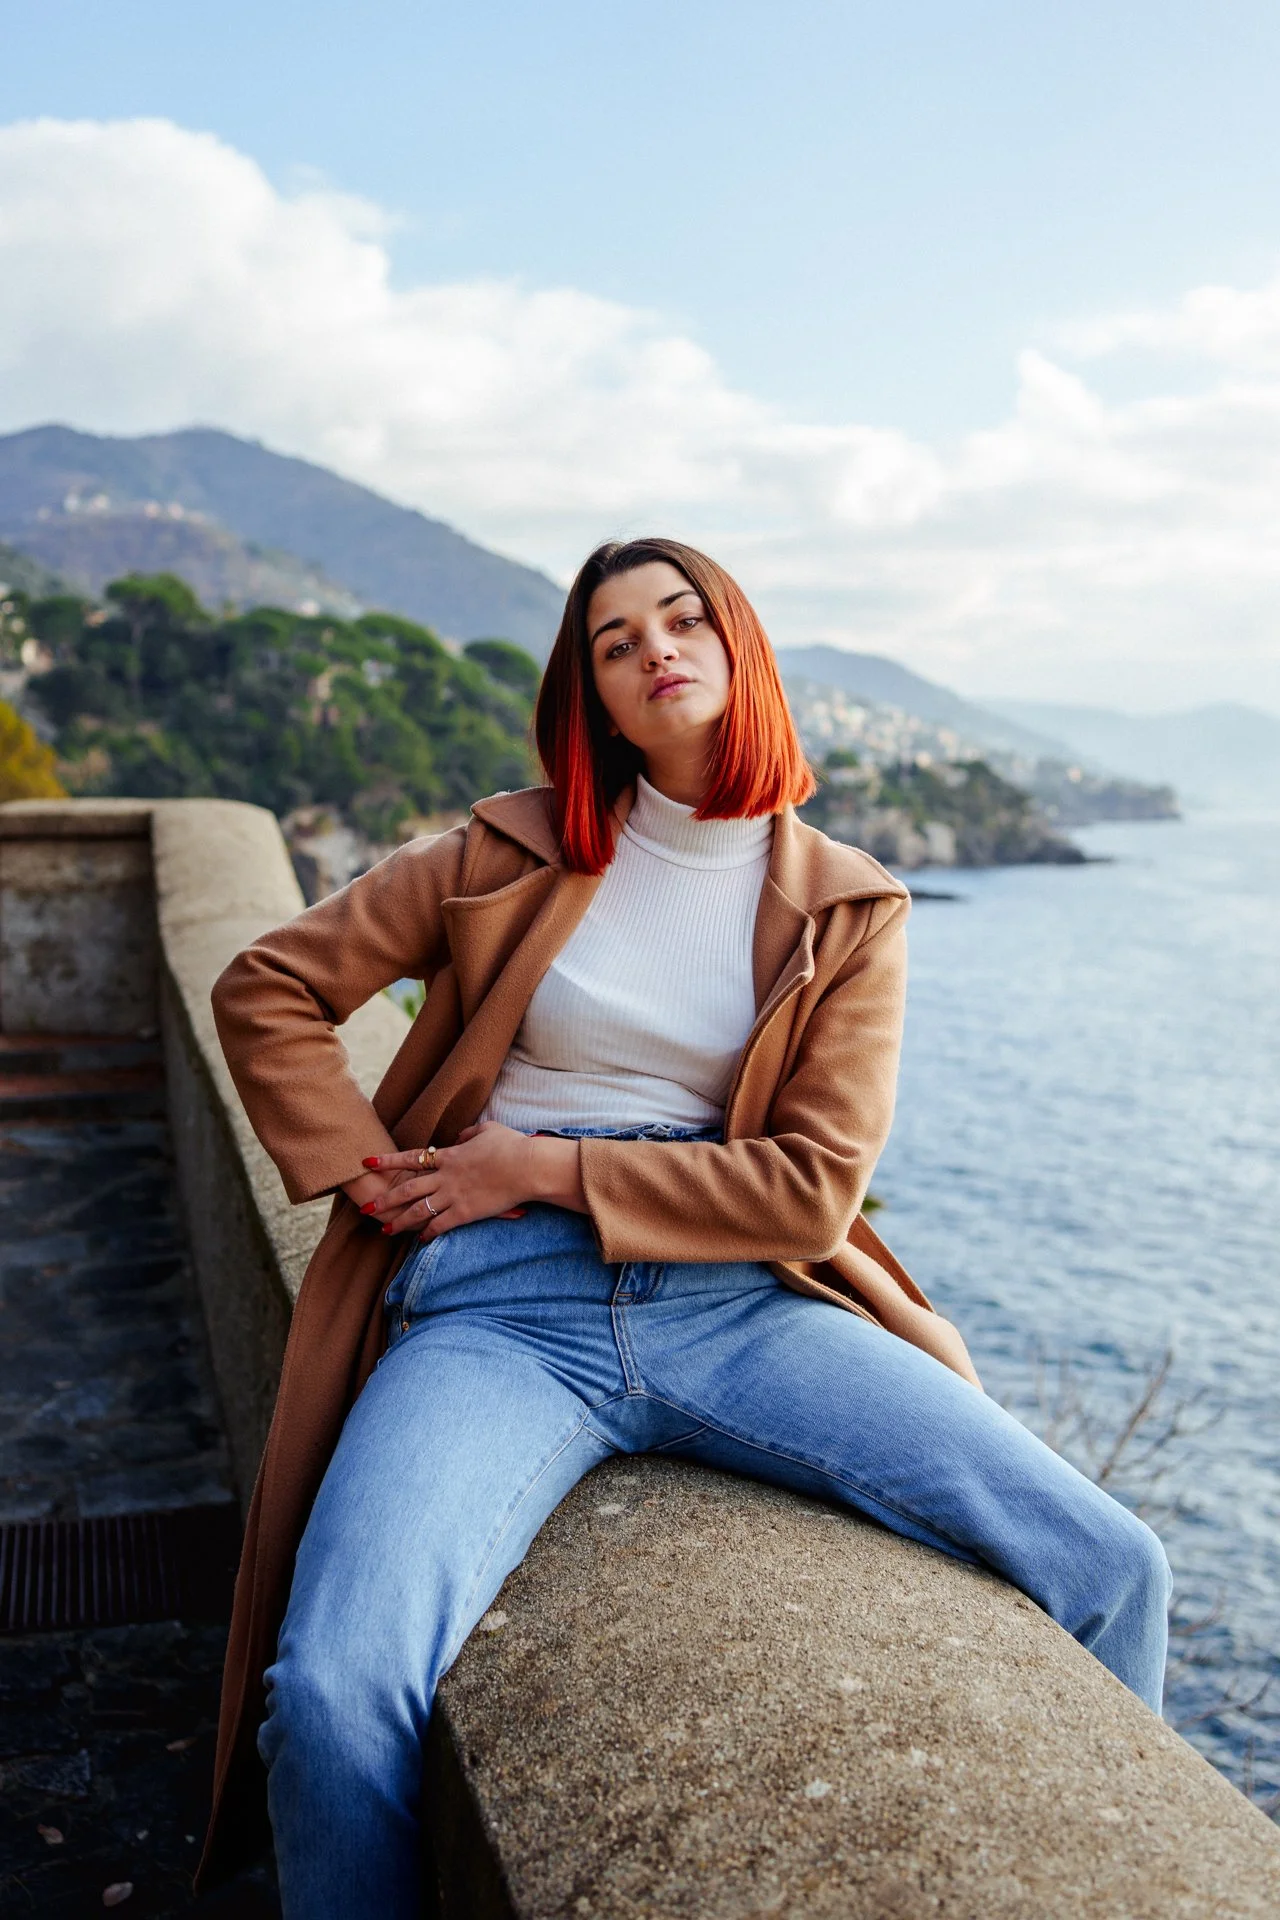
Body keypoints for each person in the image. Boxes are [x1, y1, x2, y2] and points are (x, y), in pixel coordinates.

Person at [201, 538, 1171, 1918]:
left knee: (1114, 1567)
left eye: (682, 618)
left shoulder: (849, 906)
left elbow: (810, 1191)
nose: (654, 648)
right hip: (496, 1312)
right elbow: (268, 989)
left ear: (736, 646)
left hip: (738, 1306)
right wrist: (376, 1178)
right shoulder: (502, 851)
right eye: (615, 642)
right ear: (596, 698)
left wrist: (542, 1166)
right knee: (333, 1691)